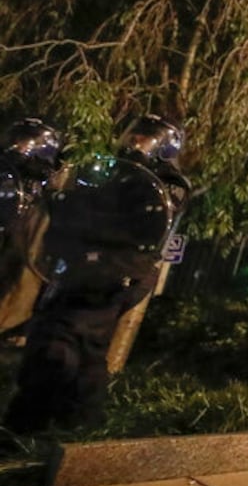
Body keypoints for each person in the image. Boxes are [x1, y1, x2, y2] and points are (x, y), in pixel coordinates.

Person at [3, 114, 189, 435]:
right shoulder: (108, 173)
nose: (135, 142)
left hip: (116, 274)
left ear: (164, 146)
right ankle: (69, 426)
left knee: (61, 342)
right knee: (80, 348)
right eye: (135, 135)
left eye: (145, 138)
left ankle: (30, 427)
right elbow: (75, 205)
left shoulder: (167, 184)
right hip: (78, 267)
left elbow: (142, 229)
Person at [0, 118, 63, 325]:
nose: (17, 147)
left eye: (24, 142)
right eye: (15, 141)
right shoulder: (5, 169)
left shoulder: (42, 185)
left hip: (19, 233)